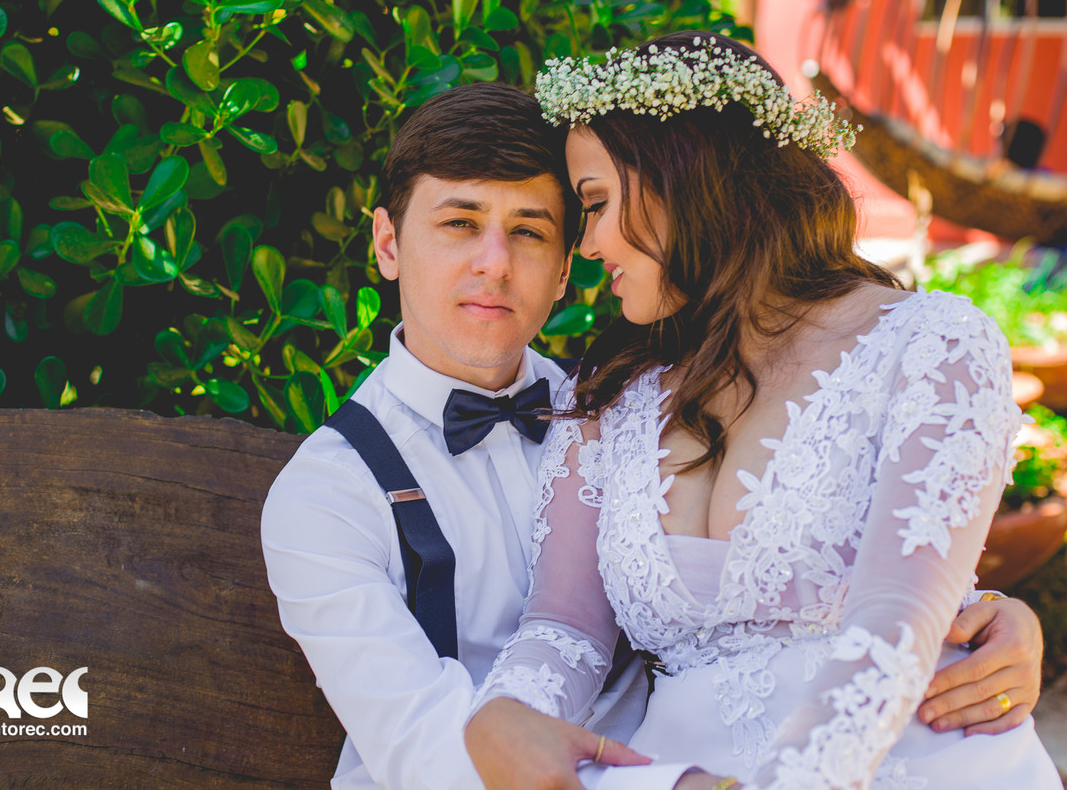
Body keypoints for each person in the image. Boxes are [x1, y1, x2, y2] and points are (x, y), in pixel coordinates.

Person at [261, 81, 1046, 790]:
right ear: (388, 243)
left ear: (567, 267)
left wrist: (983, 611)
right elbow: (444, 746)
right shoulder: (328, 495)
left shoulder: (599, 397)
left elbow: (892, 584)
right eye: (460, 224)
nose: (494, 265)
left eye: (538, 231)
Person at [464, 32, 1061, 790]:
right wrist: (508, 712)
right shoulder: (612, 395)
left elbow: (895, 621)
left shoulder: (931, 346)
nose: (587, 245)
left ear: (686, 175)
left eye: (597, 203)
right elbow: (568, 629)